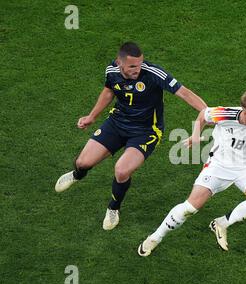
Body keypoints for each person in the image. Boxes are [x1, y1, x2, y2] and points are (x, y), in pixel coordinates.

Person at [55, 42, 207, 230]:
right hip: (117, 122)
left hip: (146, 131)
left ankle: (113, 208)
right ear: (120, 63)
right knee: (82, 163)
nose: (138, 69)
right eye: (133, 66)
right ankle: (77, 175)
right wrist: (91, 116)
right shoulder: (111, 71)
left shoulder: (153, 73)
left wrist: (209, 113)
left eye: (140, 64)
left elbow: (184, 93)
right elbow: (108, 91)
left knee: (121, 171)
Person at [137, 90, 246, 256]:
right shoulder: (226, 114)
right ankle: (155, 237)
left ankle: (221, 223)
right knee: (190, 208)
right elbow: (203, 115)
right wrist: (195, 135)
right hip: (218, 166)